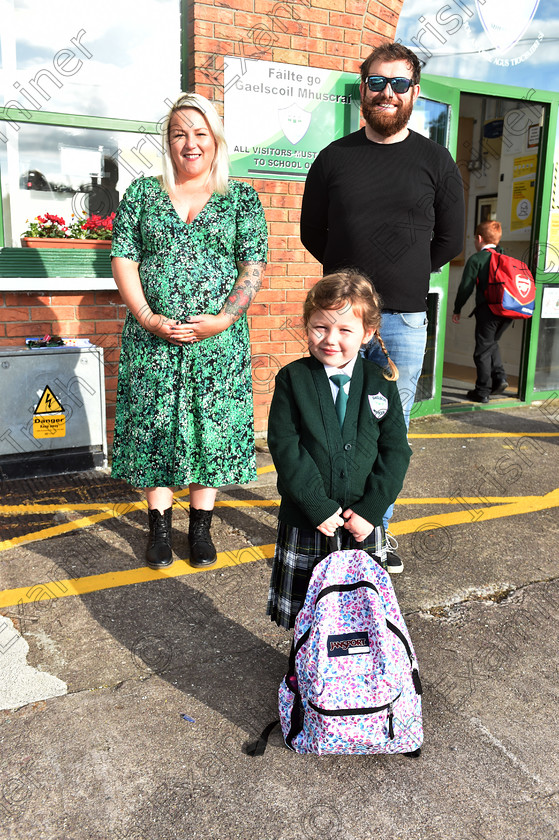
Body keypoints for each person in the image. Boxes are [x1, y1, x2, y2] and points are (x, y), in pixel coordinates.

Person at [300, 41, 465, 572]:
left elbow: (449, 241)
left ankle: (374, 531)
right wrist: (351, 293)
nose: (387, 93)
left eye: (398, 84)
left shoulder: (435, 161)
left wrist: (404, 276)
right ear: (363, 89)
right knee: (332, 426)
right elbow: (312, 234)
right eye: (377, 82)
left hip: (402, 322)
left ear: (414, 92)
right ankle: (330, 522)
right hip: (341, 323)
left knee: (388, 429)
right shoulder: (334, 159)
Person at [110, 93, 268, 570]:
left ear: (216, 141)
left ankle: (200, 526)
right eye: (179, 133)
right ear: (168, 141)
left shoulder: (239, 197)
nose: (190, 143)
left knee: (210, 431)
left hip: (217, 345)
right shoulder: (142, 193)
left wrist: (222, 319)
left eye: (200, 133)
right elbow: (124, 258)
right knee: (153, 427)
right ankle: (159, 526)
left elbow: (252, 267)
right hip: (150, 341)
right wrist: (147, 316)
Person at [266, 271, 412, 630]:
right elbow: (286, 447)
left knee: (363, 614)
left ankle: (355, 678)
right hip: (309, 520)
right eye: (320, 327)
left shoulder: (382, 382)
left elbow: (395, 451)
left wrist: (372, 509)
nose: (331, 339)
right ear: (307, 325)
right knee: (309, 612)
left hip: (362, 523)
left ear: (367, 333)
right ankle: (307, 670)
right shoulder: (292, 380)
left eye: (345, 330)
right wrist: (316, 505)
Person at [452, 220, 510, 403]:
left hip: (488, 311)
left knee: (482, 352)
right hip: (508, 311)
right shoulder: (505, 256)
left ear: (479, 238)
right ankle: (499, 377)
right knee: (491, 344)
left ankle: (482, 391)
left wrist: (457, 309)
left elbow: (465, 288)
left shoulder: (477, 259)